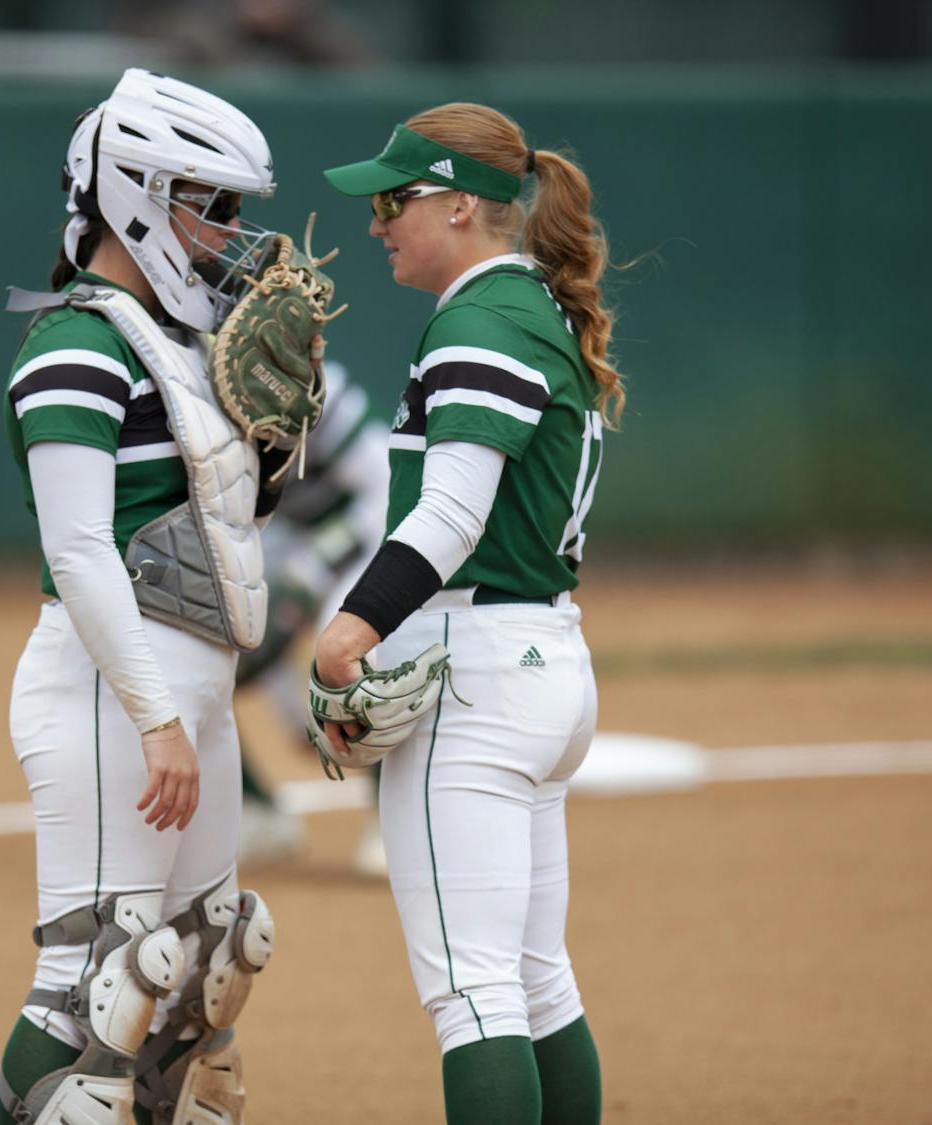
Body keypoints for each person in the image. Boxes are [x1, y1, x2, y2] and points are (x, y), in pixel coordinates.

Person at [312, 103, 624, 1124]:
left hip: (480, 668)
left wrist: (350, 630)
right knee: (535, 982)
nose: (377, 223)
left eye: (395, 201)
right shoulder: (533, 306)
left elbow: (452, 513)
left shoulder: (481, 318)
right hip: (540, 662)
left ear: (458, 205)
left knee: (473, 993)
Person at [0, 69, 286, 1125]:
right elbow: (78, 551)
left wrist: (271, 452)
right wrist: (157, 716)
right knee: (94, 987)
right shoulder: (75, 342)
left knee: (201, 982)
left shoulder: (182, 342)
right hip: (112, 696)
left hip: (185, 695)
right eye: (212, 208)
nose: (230, 235)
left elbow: (220, 523)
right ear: (135, 194)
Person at [234, 358, 393, 873]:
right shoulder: (206, 390)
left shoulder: (322, 386)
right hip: (284, 534)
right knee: (203, 657)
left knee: (359, 655)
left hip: (370, 521)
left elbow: (380, 493)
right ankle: (257, 813)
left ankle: (389, 824)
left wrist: (317, 566)